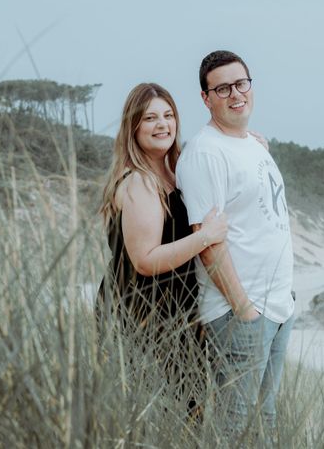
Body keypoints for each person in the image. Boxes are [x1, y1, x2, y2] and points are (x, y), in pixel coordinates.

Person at [176, 50, 295, 435]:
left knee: (267, 423)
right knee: (233, 428)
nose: (235, 94)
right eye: (222, 88)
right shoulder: (205, 153)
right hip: (239, 314)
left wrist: (282, 303)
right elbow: (207, 241)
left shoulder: (251, 144)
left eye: (240, 83)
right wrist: (244, 309)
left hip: (277, 307)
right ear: (206, 98)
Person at [96, 82, 227, 409]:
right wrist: (206, 237)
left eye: (168, 115)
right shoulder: (139, 181)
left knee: (189, 414)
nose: (163, 124)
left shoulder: (175, 171)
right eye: (151, 118)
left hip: (176, 312)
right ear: (133, 126)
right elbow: (144, 260)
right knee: (161, 418)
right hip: (143, 315)